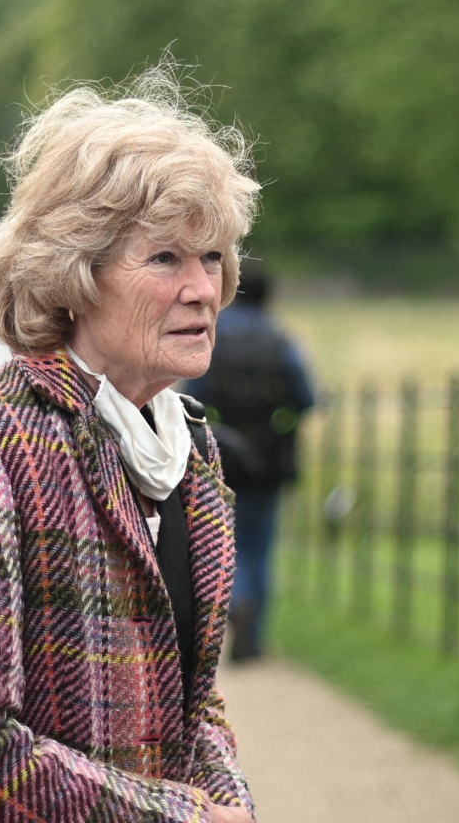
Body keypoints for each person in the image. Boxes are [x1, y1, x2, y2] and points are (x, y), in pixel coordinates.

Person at [0, 71, 259, 823]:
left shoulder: (189, 450)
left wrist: (229, 803)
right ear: (75, 275)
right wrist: (176, 818)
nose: (202, 289)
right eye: (165, 259)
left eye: (212, 258)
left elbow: (193, 702)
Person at [183, 265, 313, 661]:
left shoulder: (213, 340)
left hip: (221, 456)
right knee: (262, 545)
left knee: (223, 540)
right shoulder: (282, 341)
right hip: (271, 461)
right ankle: (253, 638)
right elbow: (306, 398)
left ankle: (232, 603)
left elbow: (192, 395)